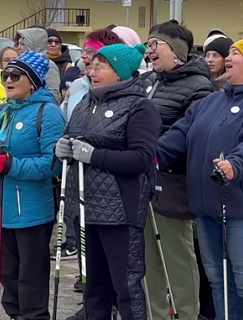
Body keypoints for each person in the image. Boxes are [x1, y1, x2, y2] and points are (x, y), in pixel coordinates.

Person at [56, 44, 160, 320]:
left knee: (126, 287)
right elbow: (70, 138)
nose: (91, 72)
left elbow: (141, 159)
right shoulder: (85, 103)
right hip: (84, 209)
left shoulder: (140, 107)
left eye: (100, 67)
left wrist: (94, 155)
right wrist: (62, 150)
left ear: (120, 72)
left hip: (119, 212)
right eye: (92, 67)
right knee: (93, 288)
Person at [158, 40, 243, 320]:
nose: (228, 58)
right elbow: (177, 137)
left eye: (236, 53)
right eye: (230, 52)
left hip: (240, 212)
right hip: (207, 209)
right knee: (218, 281)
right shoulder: (210, 101)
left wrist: (235, 165)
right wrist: (145, 158)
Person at [0, 51, 65, 320]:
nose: (8, 80)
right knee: (7, 272)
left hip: (31, 209)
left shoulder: (48, 113)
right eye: (5, 75)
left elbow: (54, 164)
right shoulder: (2, 111)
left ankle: (34, 316)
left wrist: (14, 166)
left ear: (34, 81)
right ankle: (14, 314)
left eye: (16, 76)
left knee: (31, 273)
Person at [141, 21, 214, 320]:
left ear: (176, 50)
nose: (149, 51)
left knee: (177, 258)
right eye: (148, 45)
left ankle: (186, 314)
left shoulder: (199, 86)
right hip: (142, 177)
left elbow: (194, 135)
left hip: (172, 180)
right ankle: (156, 314)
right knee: (148, 259)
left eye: (155, 44)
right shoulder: (149, 81)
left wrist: (154, 151)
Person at [16, 28, 61, 104]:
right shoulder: (21, 65)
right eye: (18, 44)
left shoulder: (48, 65)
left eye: (23, 44)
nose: (19, 48)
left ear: (33, 44)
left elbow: (54, 96)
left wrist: (32, 101)